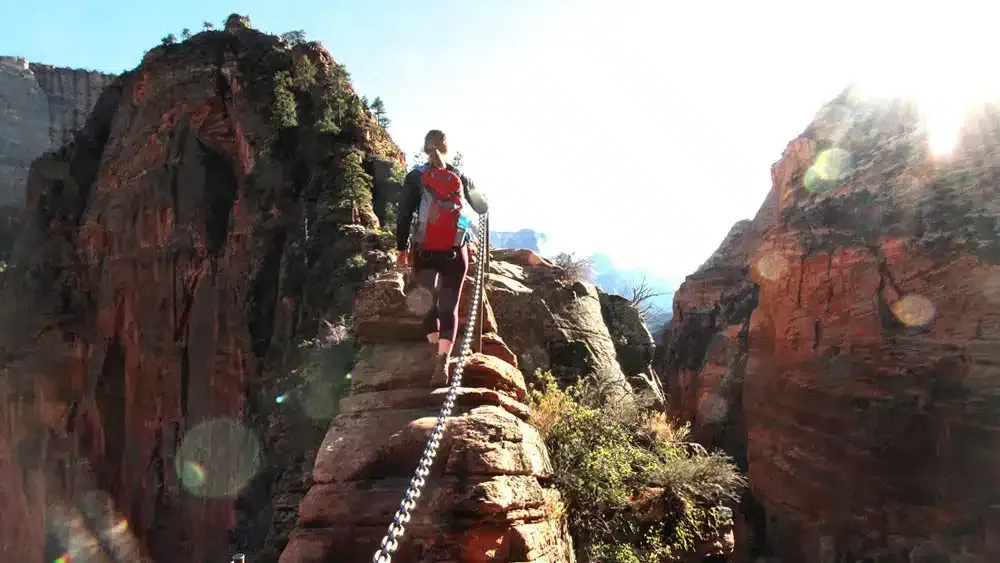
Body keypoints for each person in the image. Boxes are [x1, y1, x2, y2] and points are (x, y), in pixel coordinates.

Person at [396, 129, 488, 386]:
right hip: (455, 252)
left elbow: (404, 215)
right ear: (447, 149)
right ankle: (443, 361)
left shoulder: (416, 176)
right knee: (449, 306)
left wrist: (401, 249)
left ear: (426, 148)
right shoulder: (459, 176)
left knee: (426, 300)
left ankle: (433, 346)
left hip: (424, 250)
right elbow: (481, 207)